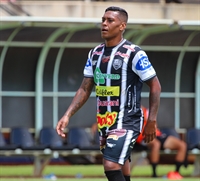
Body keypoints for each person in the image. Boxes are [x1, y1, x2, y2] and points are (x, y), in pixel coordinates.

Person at [56, 6, 161, 181]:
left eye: (110, 20)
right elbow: (85, 88)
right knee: (122, 167)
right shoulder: (95, 53)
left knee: (110, 165)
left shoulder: (134, 53)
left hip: (128, 120)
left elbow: (155, 86)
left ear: (122, 26)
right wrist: (67, 115)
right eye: (103, 20)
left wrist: (152, 120)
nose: (104, 24)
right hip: (105, 120)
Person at [134, 106, 187, 179]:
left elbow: (154, 124)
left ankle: (176, 173)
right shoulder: (132, 111)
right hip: (144, 136)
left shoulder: (147, 111)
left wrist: (150, 120)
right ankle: (154, 174)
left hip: (158, 135)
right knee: (156, 144)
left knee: (182, 145)